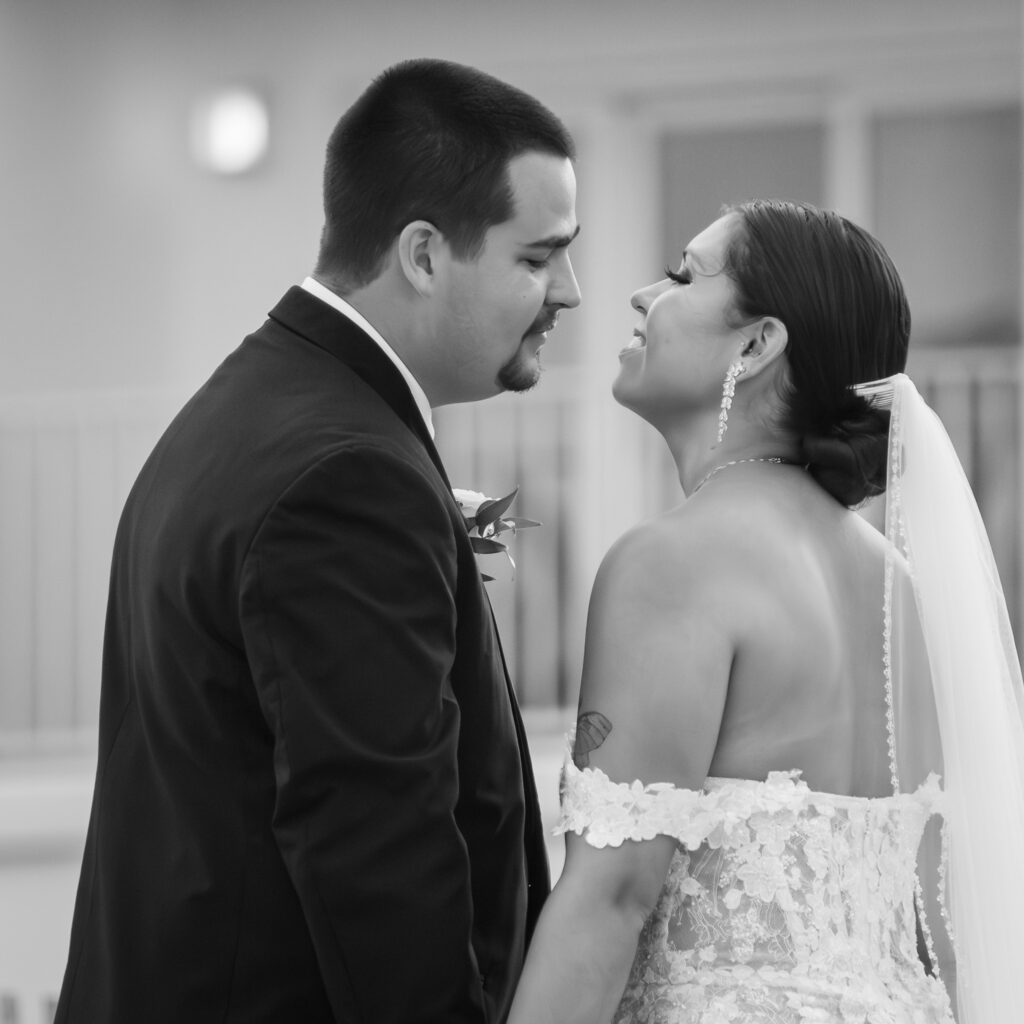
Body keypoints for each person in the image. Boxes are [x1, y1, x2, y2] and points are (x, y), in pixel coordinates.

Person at [56, 58, 580, 1024]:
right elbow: (379, 856)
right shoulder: (348, 476)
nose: (572, 292)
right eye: (538, 258)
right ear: (423, 255)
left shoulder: (251, 410)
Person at [508, 200, 1024, 1023]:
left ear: (757, 344)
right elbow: (937, 929)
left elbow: (611, 900)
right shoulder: (902, 593)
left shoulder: (674, 562)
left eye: (682, 275)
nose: (642, 295)